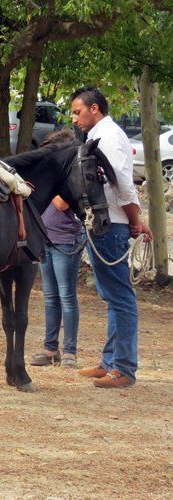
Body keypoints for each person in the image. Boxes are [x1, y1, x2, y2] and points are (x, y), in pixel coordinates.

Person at [70, 86, 151, 389]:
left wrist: (135, 221)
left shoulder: (110, 137)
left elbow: (124, 187)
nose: (75, 118)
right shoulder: (97, 137)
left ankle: (125, 369)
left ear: (94, 109)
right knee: (114, 298)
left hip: (113, 224)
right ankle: (110, 362)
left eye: (78, 111)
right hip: (105, 223)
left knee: (121, 298)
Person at [30, 129, 84, 369]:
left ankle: (70, 351)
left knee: (67, 296)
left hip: (64, 241)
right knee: (50, 297)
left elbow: (61, 202)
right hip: (46, 239)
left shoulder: (69, 177)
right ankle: (51, 349)